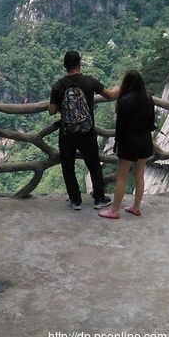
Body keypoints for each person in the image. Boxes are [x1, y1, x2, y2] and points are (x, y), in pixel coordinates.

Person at [49, 50, 119, 210]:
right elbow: (110, 95)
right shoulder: (89, 82)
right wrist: (118, 88)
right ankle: (99, 199)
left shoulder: (58, 86)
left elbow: (52, 111)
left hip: (67, 133)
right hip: (87, 132)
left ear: (65, 66)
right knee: (93, 164)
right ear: (79, 63)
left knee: (68, 166)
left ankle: (75, 200)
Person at [99, 69, 156, 219]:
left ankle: (114, 211)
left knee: (122, 177)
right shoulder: (148, 98)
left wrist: (118, 143)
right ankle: (136, 207)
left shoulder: (125, 101)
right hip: (144, 140)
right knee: (140, 175)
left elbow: (120, 128)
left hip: (128, 142)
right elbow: (151, 123)